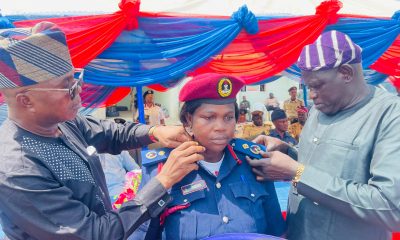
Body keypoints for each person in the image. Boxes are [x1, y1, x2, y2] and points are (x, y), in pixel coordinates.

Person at [0, 22, 206, 240]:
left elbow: (110, 133)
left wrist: (155, 131)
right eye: (67, 86)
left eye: (76, 78)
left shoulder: (61, 124)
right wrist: (162, 182)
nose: (79, 90)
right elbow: (96, 234)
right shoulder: (18, 170)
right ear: (26, 101)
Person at [247, 30, 400, 240]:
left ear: (346, 73)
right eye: (307, 87)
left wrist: (297, 173)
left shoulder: (390, 116)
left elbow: (390, 208)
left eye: (316, 86)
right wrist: (287, 151)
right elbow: (318, 160)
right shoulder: (321, 108)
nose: (311, 95)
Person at [133, 73, 286, 240]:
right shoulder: (161, 169)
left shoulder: (255, 162)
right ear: (188, 120)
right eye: (209, 117)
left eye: (228, 117)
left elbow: (276, 231)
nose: (220, 127)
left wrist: (297, 169)